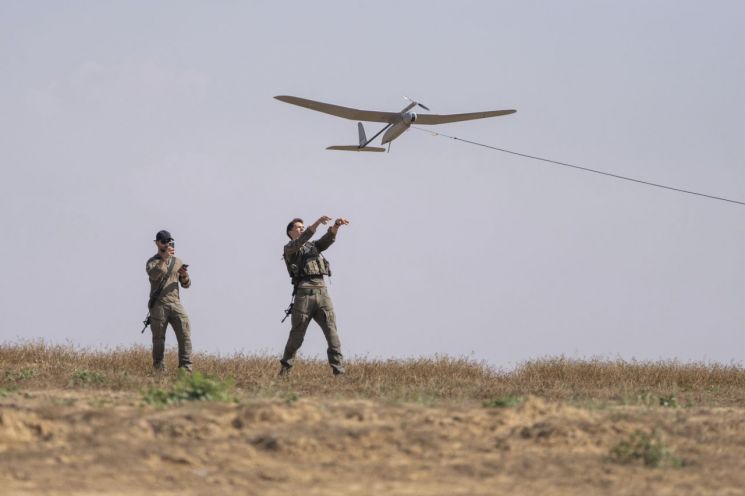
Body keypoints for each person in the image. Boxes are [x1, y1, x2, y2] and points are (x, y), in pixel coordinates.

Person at [281, 216, 349, 376]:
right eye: (298, 227)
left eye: (303, 227)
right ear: (290, 232)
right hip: (304, 296)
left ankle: (339, 373)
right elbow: (302, 240)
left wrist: (336, 227)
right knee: (296, 337)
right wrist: (317, 223)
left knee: (332, 335)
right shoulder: (290, 248)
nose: (302, 229)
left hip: (323, 294)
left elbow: (326, 240)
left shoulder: (313, 246)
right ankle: (285, 372)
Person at [145, 230, 193, 372]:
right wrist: (164, 259)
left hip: (175, 304)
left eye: (169, 241)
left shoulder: (177, 261)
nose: (167, 244)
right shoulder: (152, 262)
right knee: (159, 339)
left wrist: (184, 276)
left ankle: (186, 370)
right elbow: (154, 275)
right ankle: (159, 370)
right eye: (164, 241)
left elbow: (186, 285)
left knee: (185, 335)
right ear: (157, 243)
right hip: (159, 305)